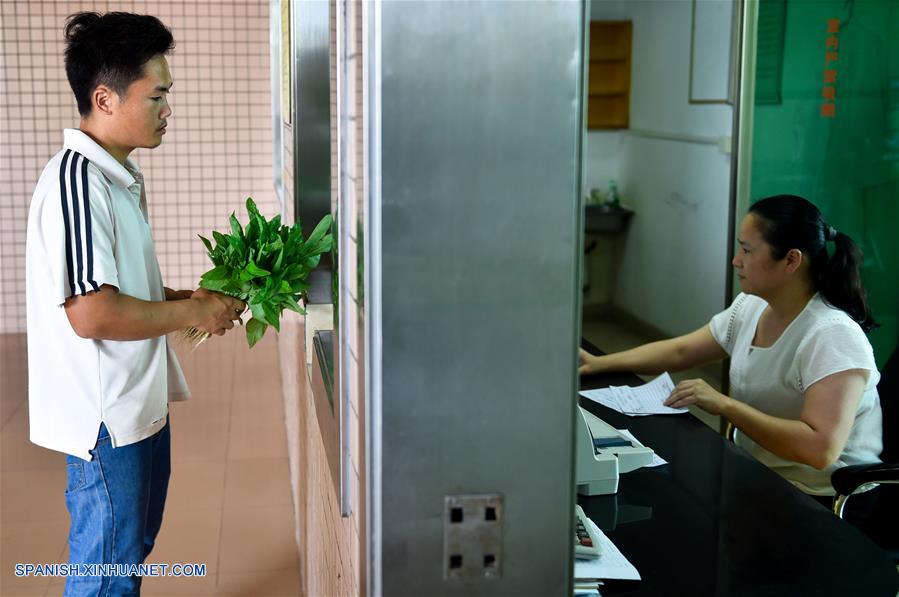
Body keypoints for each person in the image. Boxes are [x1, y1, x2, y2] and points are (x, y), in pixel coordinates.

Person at [25, 12, 245, 596]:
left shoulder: (115, 174)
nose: (167, 109)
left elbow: (115, 291)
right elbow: (91, 313)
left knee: (126, 557)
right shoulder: (79, 181)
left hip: (134, 407)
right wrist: (194, 314)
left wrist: (184, 299)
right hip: (106, 421)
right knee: (107, 576)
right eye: (158, 96)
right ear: (105, 97)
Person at [579, 195, 883, 498]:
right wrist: (599, 363)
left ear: (791, 260)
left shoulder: (831, 335)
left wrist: (724, 404)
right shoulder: (752, 306)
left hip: (826, 497)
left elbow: (820, 451)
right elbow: (681, 351)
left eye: (747, 250)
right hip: (763, 474)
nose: (736, 260)